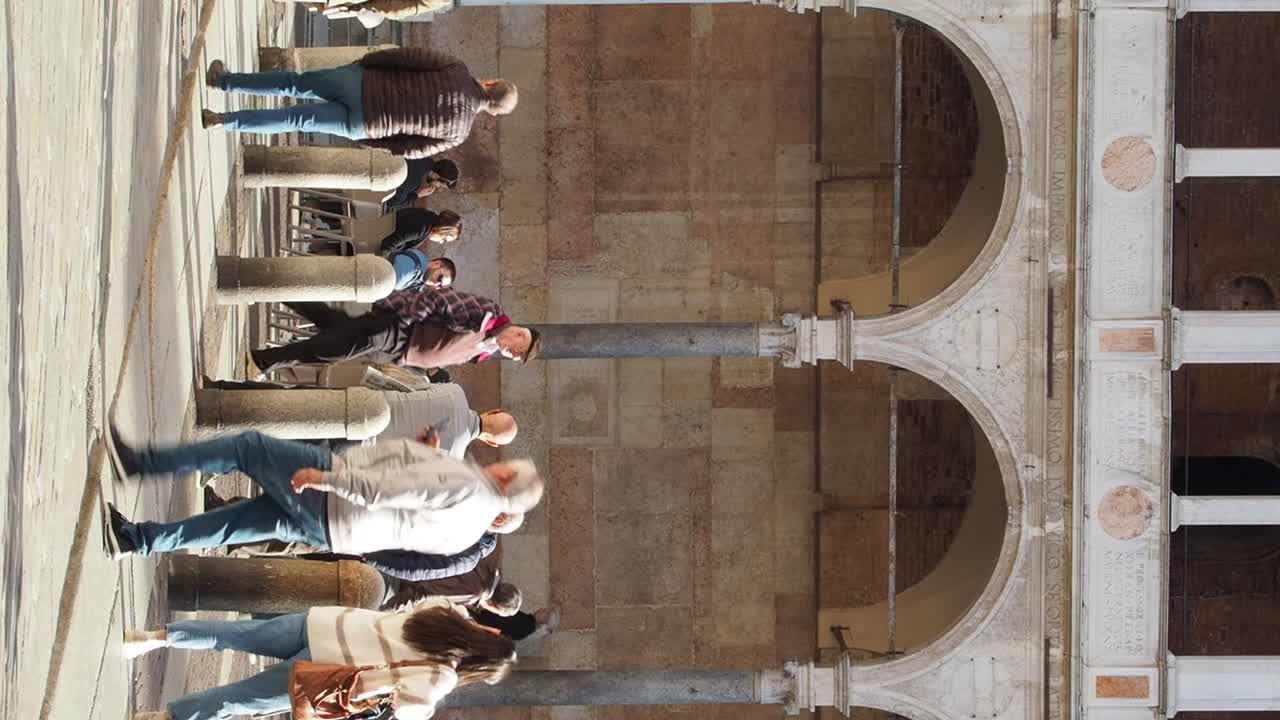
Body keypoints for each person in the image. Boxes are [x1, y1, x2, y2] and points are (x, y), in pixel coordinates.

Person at [102, 427, 543, 560]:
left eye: (506, 464)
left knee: (248, 448)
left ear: (506, 477)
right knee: (234, 526)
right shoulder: (470, 531)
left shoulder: (471, 487)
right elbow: (411, 518)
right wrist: (424, 455)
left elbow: (393, 492)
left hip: (337, 496)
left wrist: (326, 478)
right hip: (340, 533)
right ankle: (138, 540)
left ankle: (143, 463)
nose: (500, 461)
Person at [125, 604, 513, 720]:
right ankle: (164, 719)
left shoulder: (447, 611)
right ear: (478, 671)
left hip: (325, 623)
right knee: (240, 699)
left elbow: (402, 607)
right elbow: (399, 703)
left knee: (234, 635)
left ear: (489, 635)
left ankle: (151, 639)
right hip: (325, 673)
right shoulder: (442, 677)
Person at [200, 49, 517, 157]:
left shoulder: (456, 69)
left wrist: (365, 62)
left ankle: (223, 81)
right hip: (367, 123)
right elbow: (406, 149)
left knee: (293, 83)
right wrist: (369, 140)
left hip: (363, 81)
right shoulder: (458, 134)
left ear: (490, 81)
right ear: (491, 112)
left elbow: (405, 57)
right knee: (294, 119)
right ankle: (221, 120)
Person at [246, 289, 541, 377]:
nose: (512, 355)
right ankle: (261, 361)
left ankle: (274, 287)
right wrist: (405, 320)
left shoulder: (485, 352)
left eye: (516, 358)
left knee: (333, 326)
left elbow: (445, 354)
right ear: (518, 334)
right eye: (518, 349)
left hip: (398, 352)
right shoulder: (487, 313)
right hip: (400, 330)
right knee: (332, 349)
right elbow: (438, 301)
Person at [381, 553, 520, 614]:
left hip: (404, 555)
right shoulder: (474, 592)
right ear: (493, 607)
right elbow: (423, 591)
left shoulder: (488, 564)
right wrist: (384, 611)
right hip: (400, 577)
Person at [384, 158, 460, 212]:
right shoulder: (414, 181)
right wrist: (417, 195)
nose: (438, 187)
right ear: (436, 176)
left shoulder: (425, 158)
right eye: (440, 185)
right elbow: (391, 202)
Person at [381, 208, 462, 257]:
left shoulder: (428, 218)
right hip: (377, 237)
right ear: (442, 229)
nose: (440, 242)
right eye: (444, 239)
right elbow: (389, 243)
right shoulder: (421, 228)